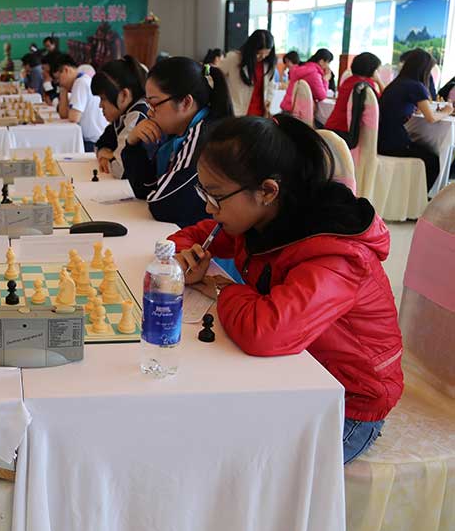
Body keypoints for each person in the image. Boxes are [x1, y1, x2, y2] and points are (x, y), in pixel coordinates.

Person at [169, 115, 403, 464]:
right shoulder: (264, 217)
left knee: (245, 468)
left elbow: (265, 331)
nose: (208, 207)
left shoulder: (336, 253)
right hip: (294, 376)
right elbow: (188, 237)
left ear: (267, 191)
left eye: (216, 197)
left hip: (347, 404)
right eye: (204, 193)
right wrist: (184, 257)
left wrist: (221, 289)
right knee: (201, 430)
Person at [123, 57, 233, 226]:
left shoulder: (205, 137)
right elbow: (144, 188)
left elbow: (164, 204)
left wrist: (155, 192)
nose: (149, 113)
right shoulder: (178, 133)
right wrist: (132, 143)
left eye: (154, 104)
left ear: (186, 102)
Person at [378, 49, 453, 191]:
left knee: (423, 150)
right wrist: (446, 111)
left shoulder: (397, 83)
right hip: (394, 143)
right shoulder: (416, 86)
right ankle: (419, 199)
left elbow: (406, 107)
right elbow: (431, 118)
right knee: (432, 161)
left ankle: (412, 195)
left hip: (381, 139)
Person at [92, 56, 148, 179]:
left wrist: (109, 156)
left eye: (103, 99)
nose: (100, 105)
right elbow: (99, 144)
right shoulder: (122, 115)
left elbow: (119, 169)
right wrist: (105, 154)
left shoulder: (137, 116)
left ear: (124, 95)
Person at [48, 53, 106, 151]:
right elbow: (63, 115)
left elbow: (74, 117)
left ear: (66, 70)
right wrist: (63, 90)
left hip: (93, 142)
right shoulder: (80, 81)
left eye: (58, 79)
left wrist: (63, 89)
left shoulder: (80, 83)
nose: (59, 83)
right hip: (91, 139)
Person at [218, 29, 275, 117]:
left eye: (267, 53)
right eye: (258, 53)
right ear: (251, 49)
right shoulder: (234, 58)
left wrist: (269, 100)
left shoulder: (268, 64)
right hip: (237, 113)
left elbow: (270, 86)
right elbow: (216, 77)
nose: (263, 57)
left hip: (260, 115)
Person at [325, 52, 383, 140]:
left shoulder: (348, 81)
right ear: (373, 71)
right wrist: (379, 81)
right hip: (346, 131)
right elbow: (383, 100)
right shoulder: (365, 86)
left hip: (332, 127)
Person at [280, 48, 333, 113]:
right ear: (321, 61)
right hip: (299, 111)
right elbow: (321, 96)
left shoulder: (302, 68)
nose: (328, 66)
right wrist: (325, 80)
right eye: (328, 63)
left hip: (287, 105)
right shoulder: (314, 73)